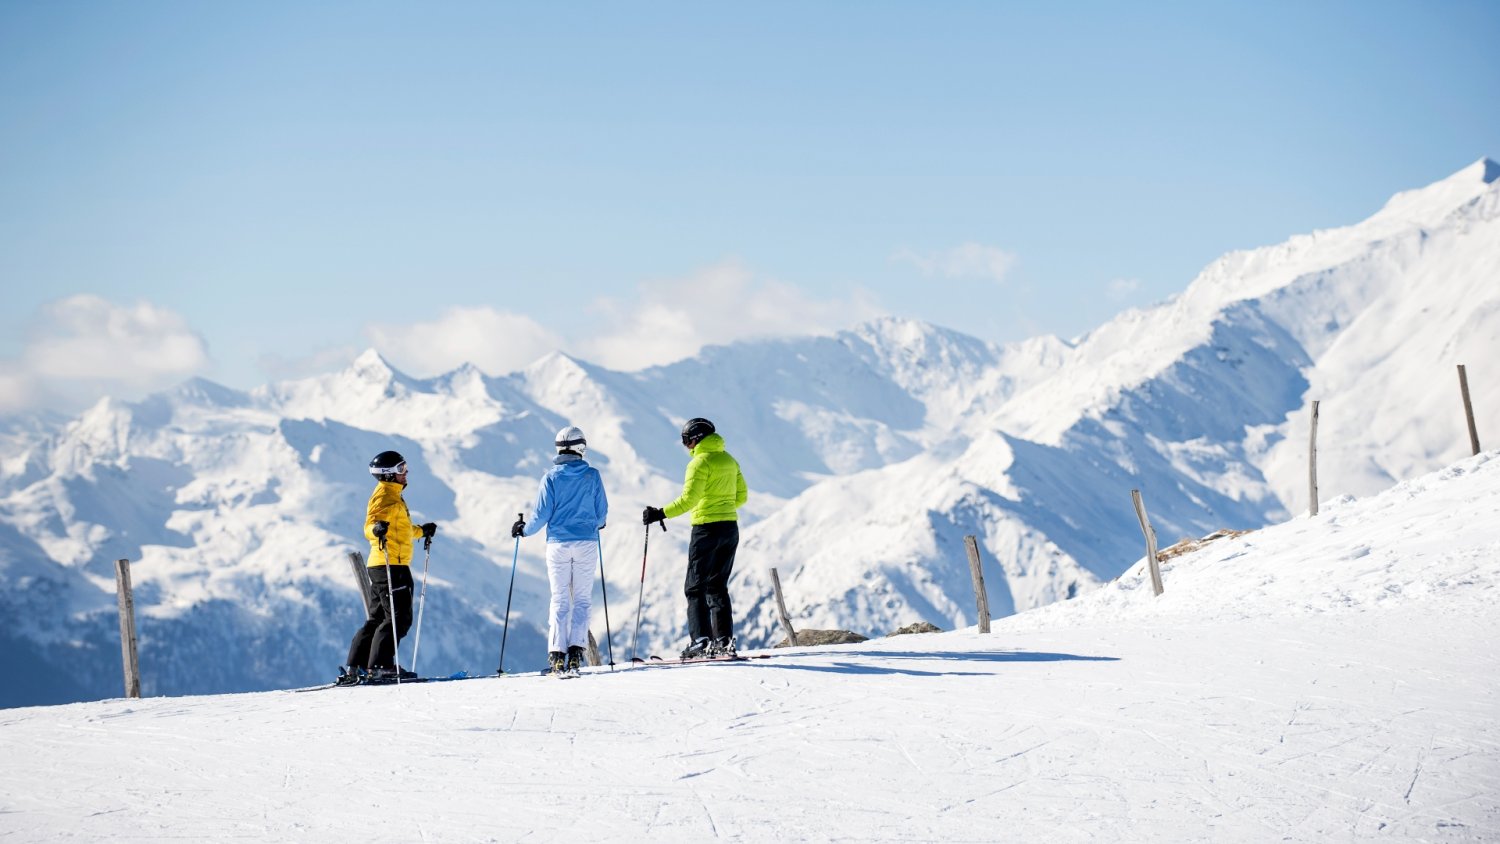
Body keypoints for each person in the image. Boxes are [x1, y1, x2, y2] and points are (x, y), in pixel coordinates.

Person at [642, 417, 748, 660]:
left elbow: (688, 501)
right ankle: (723, 641)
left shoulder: (699, 463)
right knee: (718, 586)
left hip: (705, 530)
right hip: (730, 528)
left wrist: (660, 513)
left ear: (696, 439)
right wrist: (722, 505)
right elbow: (741, 497)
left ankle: (700, 641)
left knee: (695, 587)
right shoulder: (730, 460)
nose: (686, 446)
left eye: (686, 441)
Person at [512, 426, 609, 677]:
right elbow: (602, 514)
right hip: (586, 542)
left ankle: (556, 654)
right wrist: (593, 523)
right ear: (581, 448)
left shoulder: (550, 478)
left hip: (558, 544)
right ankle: (576, 652)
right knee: (583, 599)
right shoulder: (593, 476)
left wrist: (523, 530)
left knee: (560, 599)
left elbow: (541, 515)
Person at [340, 450, 437, 684]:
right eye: (401, 468)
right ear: (389, 474)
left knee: (379, 617)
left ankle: (358, 666)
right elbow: (370, 525)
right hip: (390, 564)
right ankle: (380, 666)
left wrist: (421, 531)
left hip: (387, 563)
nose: (406, 472)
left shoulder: (393, 495)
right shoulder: (384, 495)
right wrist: (376, 530)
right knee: (398, 617)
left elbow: (399, 529)